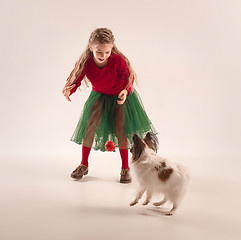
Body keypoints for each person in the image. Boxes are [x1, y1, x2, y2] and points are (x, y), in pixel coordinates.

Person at [62, 28, 156, 183]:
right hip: (99, 95)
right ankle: (84, 164)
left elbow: (128, 78)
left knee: (121, 130)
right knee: (89, 127)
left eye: (107, 52)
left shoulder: (117, 60)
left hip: (120, 96)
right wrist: (69, 90)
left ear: (111, 49)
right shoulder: (87, 62)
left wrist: (125, 92)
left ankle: (125, 168)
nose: (103, 56)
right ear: (91, 47)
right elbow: (78, 78)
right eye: (99, 52)